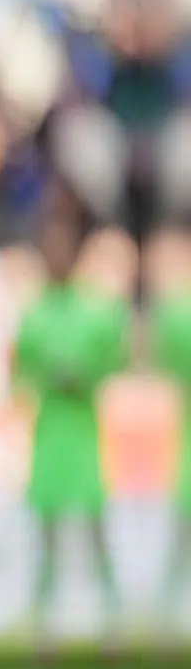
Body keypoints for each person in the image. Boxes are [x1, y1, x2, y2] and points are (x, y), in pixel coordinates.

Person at [12, 215, 129, 654]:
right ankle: (44, 631)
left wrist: (82, 377)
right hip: (50, 438)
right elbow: (21, 371)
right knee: (46, 545)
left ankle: (112, 627)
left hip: (81, 437)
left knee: (98, 539)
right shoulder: (35, 314)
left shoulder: (94, 314)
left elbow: (113, 361)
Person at [148, 234, 191, 642]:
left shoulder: (175, 316)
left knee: (180, 548)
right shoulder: (177, 316)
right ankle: (164, 626)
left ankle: (164, 627)